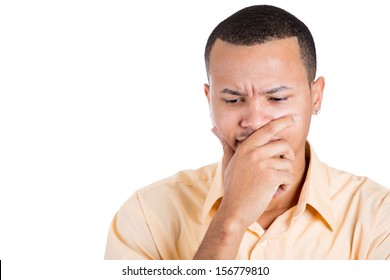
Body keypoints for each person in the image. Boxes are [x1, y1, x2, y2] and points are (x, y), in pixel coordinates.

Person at [104, 4, 390, 260]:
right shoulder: (146, 216)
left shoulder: (378, 215)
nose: (254, 121)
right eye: (232, 100)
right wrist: (231, 219)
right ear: (209, 100)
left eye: (277, 99)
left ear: (316, 97)